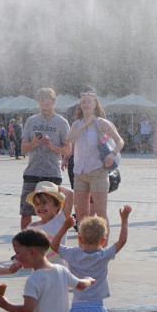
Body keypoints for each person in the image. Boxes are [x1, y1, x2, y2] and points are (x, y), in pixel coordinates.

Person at [67, 91, 123, 229]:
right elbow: (69, 139)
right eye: (83, 102)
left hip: (97, 172)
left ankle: (104, 249)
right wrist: (86, 124)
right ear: (80, 105)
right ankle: (83, 247)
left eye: (89, 102)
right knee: (81, 215)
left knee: (101, 213)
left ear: (95, 105)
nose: (86, 104)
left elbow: (119, 141)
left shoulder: (101, 123)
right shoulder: (76, 124)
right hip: (79, 173)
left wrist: (113, 153)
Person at [20, 88, 72, 229]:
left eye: (48, 104)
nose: (45, 107)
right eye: (42, 104)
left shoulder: (61, 122)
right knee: (26, 212)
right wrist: (35, 143)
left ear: (54, 103)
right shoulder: (31, 121)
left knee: (53, 212)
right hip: (32, 172)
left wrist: (52, 146)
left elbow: (68, 149)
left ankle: (52, 242)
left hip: (52, 173)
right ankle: (25, 244)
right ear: (38, 103)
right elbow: (23, 148)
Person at [25, 181, 74, 265]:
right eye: (37, 203)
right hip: (40, 272)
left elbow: (70, 193)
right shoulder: (31, 227)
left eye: (45, 202)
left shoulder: (60, 220)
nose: (40, 206)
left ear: (57, 205)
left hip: (60, 271)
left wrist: (56, 187)